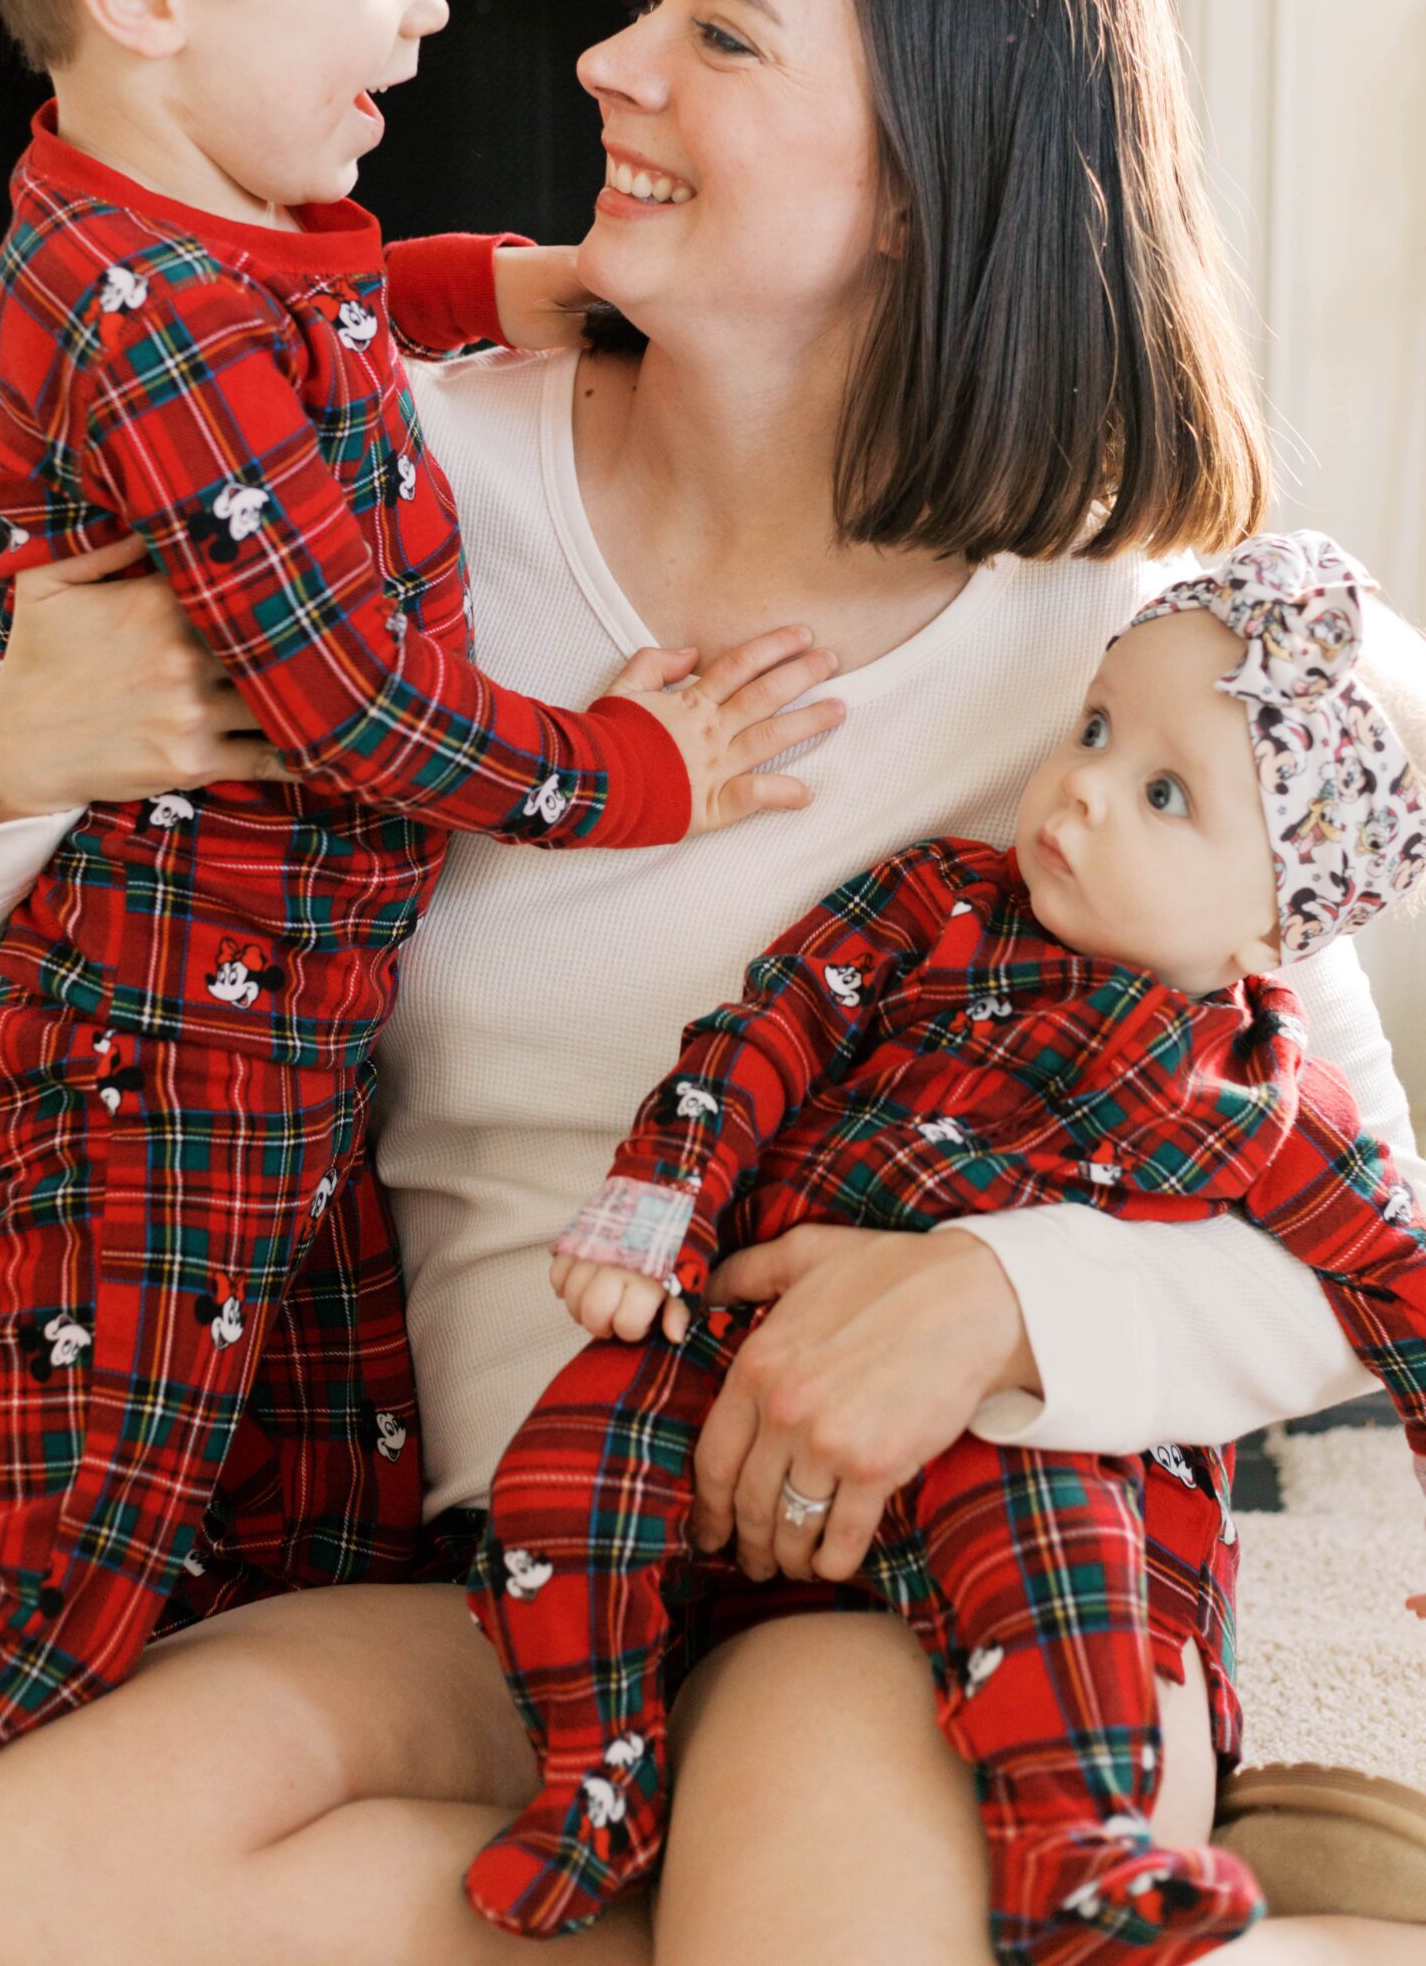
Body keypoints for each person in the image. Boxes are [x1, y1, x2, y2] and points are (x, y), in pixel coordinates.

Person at [0, 0, 1426, 1966]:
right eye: (636, 7)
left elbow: (1353, 1208)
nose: (606, 65)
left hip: (936, 1560)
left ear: (918, 183)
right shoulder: (379, 452)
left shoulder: (1121, 639)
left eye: (719, 29)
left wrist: (1004, 1302)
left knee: (814, 1891)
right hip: (500, 1545)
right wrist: (1, 750)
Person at [0, 0, 841, 1961]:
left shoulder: (210, 226)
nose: (430, 2)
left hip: (286, 1046)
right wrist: (626, 764)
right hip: (162, 1058)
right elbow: (359, 713)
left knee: (315, 1510)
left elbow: (340, 299)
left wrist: (500, 280)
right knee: (36, 1573)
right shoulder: (146, 319)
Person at [467, 534, 1426, 1958]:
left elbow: (1397, 1279)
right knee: (556, 1488)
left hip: (1016, 1440)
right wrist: (657, 1202)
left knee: (1060, 1586)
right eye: (1096, 730)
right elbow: (758, 1042)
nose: (1086, 786)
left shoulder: (1262, 1092)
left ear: (1279, 919)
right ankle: (597, 1771)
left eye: (1165, 795)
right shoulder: (935, 906)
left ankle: (1080, 1861)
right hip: (738, 1348)